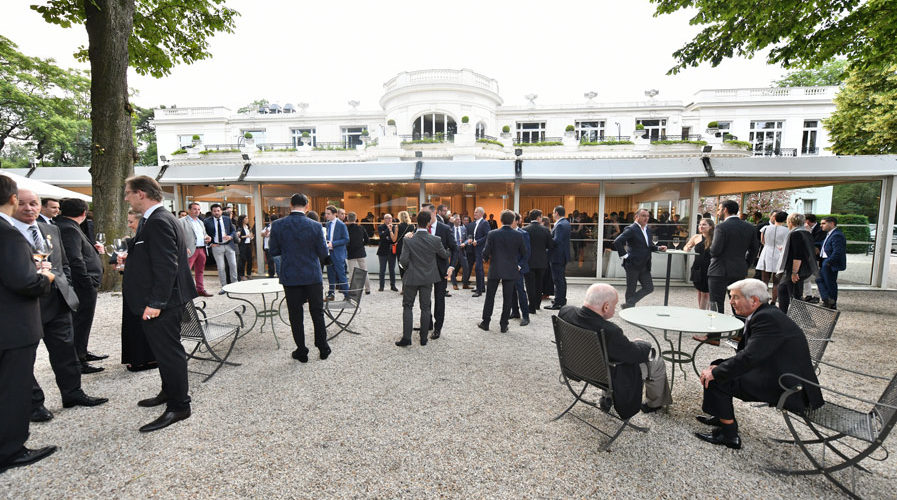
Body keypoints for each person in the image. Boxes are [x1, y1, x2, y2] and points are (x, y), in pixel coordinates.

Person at [12, 189, 108, 423]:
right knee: (23, 359)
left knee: (65, 350)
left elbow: (63, 263)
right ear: (12, 204)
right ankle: (34, 404)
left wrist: (66, 287)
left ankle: (73, 393)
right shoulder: (8, 233)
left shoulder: (50, 229)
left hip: (57, 302)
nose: (29, 208)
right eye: (23, 203)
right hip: (24, 306)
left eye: (33, 203)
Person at [695, 279, 824, 449]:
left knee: (718, 378)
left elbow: (749, 357)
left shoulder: (766, 318)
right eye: (731, 297)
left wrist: (717, 372)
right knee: (716, 365)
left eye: (735, 297)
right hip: (777, 371)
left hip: (787, 386)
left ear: (754, 300)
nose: (731, 302)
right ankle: (720, 415)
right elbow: (753, 353)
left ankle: (729, 434)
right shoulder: (766, 313)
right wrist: (719, 367)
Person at [122, 175, 197, 433]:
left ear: (141, 193)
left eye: (128, 193)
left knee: (169, 352)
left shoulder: (159, 220)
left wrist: (156, 302)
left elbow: (167, 265)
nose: (126, 197)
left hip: (163, 303)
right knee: (164, 352)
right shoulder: (155, 219)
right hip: (161, 301)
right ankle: (168, 391)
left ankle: (179, 405)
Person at [0, 175, 59, 473]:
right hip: (12, 327)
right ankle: (11, 451)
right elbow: (24, 283)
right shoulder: (8, 233)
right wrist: (45, 277)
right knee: (13, 388)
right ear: (12, 199)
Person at [559, 284, 672, 418]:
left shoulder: (566, 312)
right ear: (606, 307)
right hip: (607, 377)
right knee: (657, 362)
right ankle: (654, 404)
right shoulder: (609, 331)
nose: (615, 308)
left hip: (577, 367)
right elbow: (633, 355)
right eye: (615, 305)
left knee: (611, 355)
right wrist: (642, 343)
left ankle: (607, 398)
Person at [269, 194, 331, 362]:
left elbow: (273, 251)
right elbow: (323, 253)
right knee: (317, 313)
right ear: (307, 206)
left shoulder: (277, 225)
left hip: (291, 275)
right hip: (312, 275)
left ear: (290, 205)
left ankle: (302, 351)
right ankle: (323, 347)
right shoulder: (316, 226)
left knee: (296, 316)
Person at [56, 197, 107, 370]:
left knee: (84, 320)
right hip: (82, 284)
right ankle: (79, 359)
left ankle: (82, 351)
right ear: (84, 213)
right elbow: (75, 259)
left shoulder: (69, 226)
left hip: (84, 282)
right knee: (81, 321)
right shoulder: (68, 228)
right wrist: (87, 282)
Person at [701, 199, 758, 343]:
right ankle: (739, 334)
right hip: (739, 270)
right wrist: (745, 264)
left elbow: (715, 251)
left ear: (725, 209)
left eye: (719, 209)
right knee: (738, 302)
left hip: (719, 270)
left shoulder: (721, 227)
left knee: (716, 303)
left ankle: (714, 337)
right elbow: (754, 249)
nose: (718, 212)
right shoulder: (749, 227)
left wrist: (710, 246)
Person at [395, 210, 450, 346]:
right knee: (425, 308)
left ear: (416, 222)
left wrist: (406, 268)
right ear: (428, 223)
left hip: (411, 277)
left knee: (408, 306)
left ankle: (407, 338)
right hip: (427, 278)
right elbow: (444, 255)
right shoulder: (435, 240)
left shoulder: (408, 240)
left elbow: (403, 261)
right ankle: (424, 338)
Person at [120, 210, 157, 372]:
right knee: (134, 324)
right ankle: (137, 359)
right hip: (133, 288)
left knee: (143, 324)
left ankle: (144, 359)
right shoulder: (133, 240)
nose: (129, 225)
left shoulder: (149, 239)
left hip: (144, 288)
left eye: (131, 221)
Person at [478, 210, 526, 333]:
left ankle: (486, 322)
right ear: (513, 221)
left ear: (500, 220)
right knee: (508, 298)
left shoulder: (492, 234)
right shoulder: (518, 235)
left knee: (490, 297)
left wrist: (485, 258)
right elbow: (524, 254)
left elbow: (486, 251)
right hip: (511, 270)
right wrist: (519, 265)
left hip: (495, 268)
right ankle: (504, 325)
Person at [613, 208, 667, 308]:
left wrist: (658, 248)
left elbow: (649, 246)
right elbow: (617, 242)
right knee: (631, 288)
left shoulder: (647, 229)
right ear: (636, 217)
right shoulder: (631, 229)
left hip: (644, 264)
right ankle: (629, 310)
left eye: (647, 216)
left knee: (649, 287)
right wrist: (624, 256)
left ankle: (629, 304)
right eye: (643, 216)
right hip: (632, 263)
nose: (646, 218)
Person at [776, 213, 818, 313]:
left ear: (790, 222)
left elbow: (797, 255)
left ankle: (805, 320)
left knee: (795, 296)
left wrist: (795, 272)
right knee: (782, 290)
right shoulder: (806, 233)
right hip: (802, 268)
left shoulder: (796, 234)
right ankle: (782, 315)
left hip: (795, 269)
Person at [523, 209, 553, 314]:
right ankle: (537, 305)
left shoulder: (524, 229)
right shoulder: (545, 230)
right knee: (539, 283)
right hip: (541, 261)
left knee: (529, 284)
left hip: (528, 261)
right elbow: (550, 245)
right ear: (538, 218)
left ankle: (531, 306)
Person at [180, 202, 213, 296]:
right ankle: (184, 292)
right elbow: (177, 236)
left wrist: (208, 237)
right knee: (186, 271)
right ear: (189, 210)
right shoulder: (182, 221)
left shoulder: (200, 222)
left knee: (200, 271)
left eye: (198, 209)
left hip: (201, 249)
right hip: (189, 250)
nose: (197, 211)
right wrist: (183, 247)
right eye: (194, 209)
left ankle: (200, 289)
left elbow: (204, 234)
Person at [203, 203, 238, 294]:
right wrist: (210, 244)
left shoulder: (227, 219)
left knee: (233, 265)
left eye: (218, 211)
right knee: (221, 267)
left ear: (221, 211)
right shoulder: (207, 221)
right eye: (214, 211)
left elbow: (233, 230)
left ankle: (235, 285)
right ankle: (224, 287)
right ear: (212, 212)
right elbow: (204, 234)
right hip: (217, 246)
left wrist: (230, 236)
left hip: (229, 245)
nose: (216, 212)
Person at [755, 211, 788, 304]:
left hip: (766, 252)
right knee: (776, 282)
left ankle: (763, 300)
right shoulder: (787, 230)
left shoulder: (765, 228)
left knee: (764, 280)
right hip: (779, 254)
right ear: (785, 219)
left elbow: (762, 241)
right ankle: (773, 301)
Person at [816, 216, 846, 310]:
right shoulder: (830, 234)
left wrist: (829, 262)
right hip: (825, 261)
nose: (821, 226)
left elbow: (838, 251)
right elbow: (823, 244)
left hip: (829, 262)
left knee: (830, 283)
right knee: (819, 279)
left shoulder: (837, 235)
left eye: (823, 223)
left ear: (832, 223)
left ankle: (831, 303)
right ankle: (827, 299)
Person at [684, 217, 714, 309]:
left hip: (709, 267)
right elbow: (686, 247)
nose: (701, 226)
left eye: (704, 224)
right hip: (697, 267)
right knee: (700, 291)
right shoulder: (696, 237)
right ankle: (701, 310)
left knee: (706, 292)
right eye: (700, 224)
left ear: (711, 226)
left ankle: (703, 313)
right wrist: (687, 249)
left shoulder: (715, 237)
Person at [545, 205, 571, 310]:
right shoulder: (566, 223)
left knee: (558, 280)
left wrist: (546, 242)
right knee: (561, 279)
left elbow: (556, 241)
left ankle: (558, 303)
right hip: (562, 255)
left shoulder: (560, 225)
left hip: (557, 256)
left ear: (557, 213)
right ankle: (561, 299)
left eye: (553, 212)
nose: (552, 214)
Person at [508, 213, 531, 326]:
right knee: (511, 290)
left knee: (520, 291)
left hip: (518, 268)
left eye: (511, 220)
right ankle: (515, 312)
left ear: (517, 221)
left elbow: (527, 253)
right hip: (508, 267)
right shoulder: (506, 233)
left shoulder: (524, 234)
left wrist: (520, 265)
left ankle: (525, 316)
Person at [324, 205, 349, 300]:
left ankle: (347, 295)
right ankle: (331, 294)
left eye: (328, 214)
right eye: (326, 213)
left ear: (335, 214)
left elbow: (346, 239)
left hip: (338, 254)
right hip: (329, 254)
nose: (326, 215)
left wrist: (333, 244)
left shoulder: (341, 225)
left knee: (341, 275)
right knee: (330, 275)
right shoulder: (327, 224)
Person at [345, 212, 371, 294]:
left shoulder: (346, 228)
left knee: (352, 272)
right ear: (356, 218)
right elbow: (367, 240)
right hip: (360, 252)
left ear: (348, 219)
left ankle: (353, 290)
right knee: (364, 270)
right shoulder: (361, 228)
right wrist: (361, 245)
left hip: (351, 252)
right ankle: (368, 289)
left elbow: (346, 241)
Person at [468, 207, 490, 297]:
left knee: (478, 269)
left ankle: (479, 291)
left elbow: (487, 235)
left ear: (481, 213)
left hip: (480, 249)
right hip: (475, 248)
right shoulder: (476, 223)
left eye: (476, 212)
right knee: (478, 269)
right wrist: (471, 239)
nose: (474, 214)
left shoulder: (484, 223)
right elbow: (475, 234)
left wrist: (478, 241)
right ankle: (481, 288)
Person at [376, 214, 398, 292]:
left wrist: (388, 237)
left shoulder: (395, 227)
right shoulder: (380, 227)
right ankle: (381, 286)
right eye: (387, 218)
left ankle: (393, 285)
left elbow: (394, 239)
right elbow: (382, 237)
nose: (389, 220)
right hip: (382, 251)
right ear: (384, 219)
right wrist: (388, 229)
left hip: (392, 251)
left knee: (392, 269)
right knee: (382, 269)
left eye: (390, 218)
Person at [449, 215, 470, 291]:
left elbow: (467, 239)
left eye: (459, 220)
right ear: (454, 220)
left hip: (462, 250)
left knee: (466, 267)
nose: (459, 221)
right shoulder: (450, 229)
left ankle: (465, 284)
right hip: (453, 250)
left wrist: (465, 243)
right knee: (452, 267)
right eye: (457, 220)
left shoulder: (463, 228)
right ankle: (454, 284)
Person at [395, 211, 414, 282]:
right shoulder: (412, 226)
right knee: (409, 267)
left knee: (401, 267)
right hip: (409, 248)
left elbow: (394, 239)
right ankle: (409, 284)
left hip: (400, 248)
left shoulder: (397, 226)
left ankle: (404, 286)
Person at [234, 214, 254, 281]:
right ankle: (241, 275)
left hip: (248, 244)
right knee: (243, 260)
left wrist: (251, 237)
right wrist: (246, 236)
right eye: (246, 218)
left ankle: (249, 273)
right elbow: (238, 237)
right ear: (242, 220)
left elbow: (250, 235)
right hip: (242, 245)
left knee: (250, 260)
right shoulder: (239, 227)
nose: (247, 219)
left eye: (247, 218)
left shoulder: (248, 226)